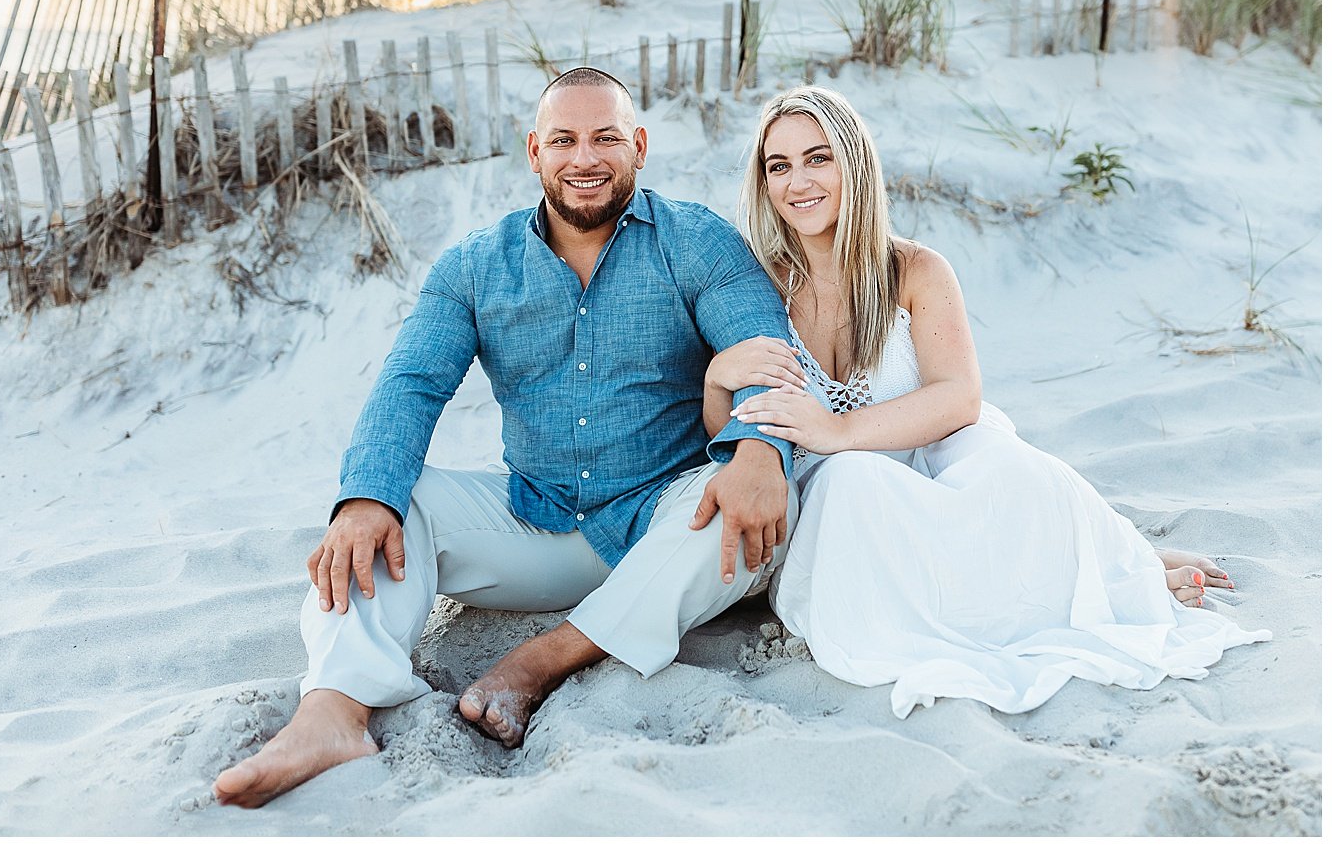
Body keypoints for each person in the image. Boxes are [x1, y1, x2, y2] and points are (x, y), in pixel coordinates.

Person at [214, 68, 798, 809]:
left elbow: (763, 351)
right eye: (564, 140)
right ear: (534, 151)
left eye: (606, 137)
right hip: (536, 524)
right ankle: (332, 711)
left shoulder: (699, 241)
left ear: (639, 146)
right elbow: (410, 384)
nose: (585, 158)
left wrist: (757, 450)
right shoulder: (474, 266)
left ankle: (545, 658)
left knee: (755, 501)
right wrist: (364, 499)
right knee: (388, 504)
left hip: (665, 521)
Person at [714, 85, 1270, 718]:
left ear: (855, 163)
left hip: (927, 456)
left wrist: (837, 429)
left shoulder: (916, 270)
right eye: (779, 165)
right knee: (853, 482)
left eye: (819, 158)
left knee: (1005, 462)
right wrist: (716, 383)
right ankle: (1101, 574)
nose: (799, 182)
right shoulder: (759, 283)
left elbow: (960, 397)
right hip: (840, 494)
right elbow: (728, 432)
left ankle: (1123, 568)